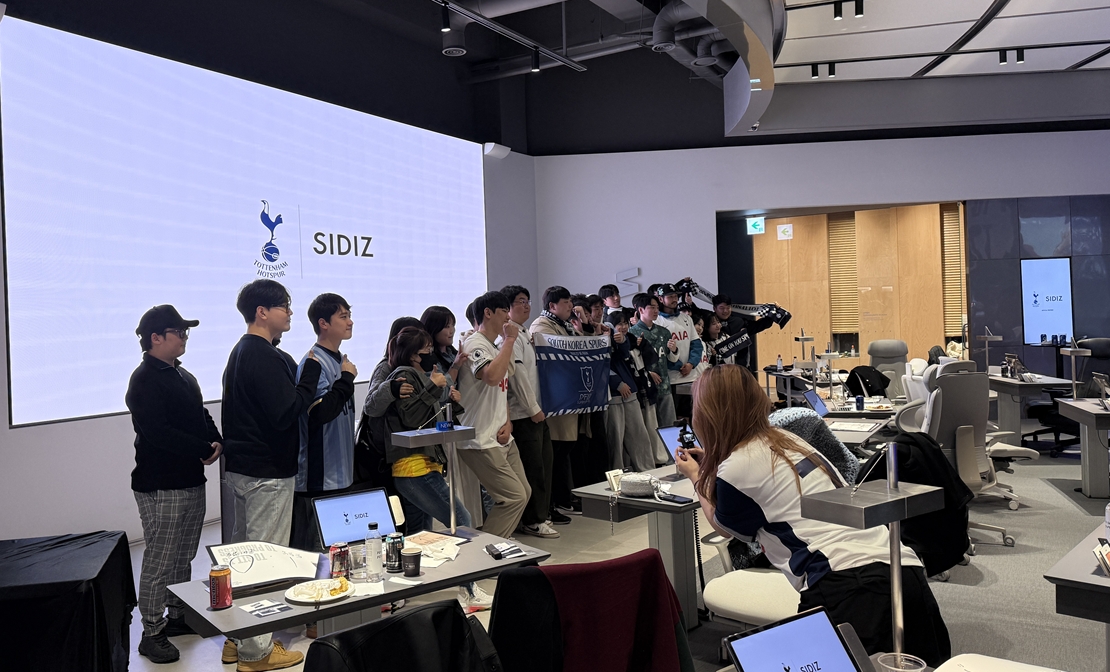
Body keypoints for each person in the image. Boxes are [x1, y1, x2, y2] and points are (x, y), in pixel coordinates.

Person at [674, 365, 951, 666]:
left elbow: (722, 525)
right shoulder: (786, 440)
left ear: (708, 414)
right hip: (902, 569)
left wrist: (696, 477)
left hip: (848, 585)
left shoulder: (735, 468)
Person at [221, 279, 321, 671]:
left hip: (246, 469)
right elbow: (285, 412)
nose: (290, 312)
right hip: (267, 473)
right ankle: (257, 651)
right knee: (264, 563)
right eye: (284, 306)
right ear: (262, 312)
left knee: (243, 558)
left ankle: (237, 641)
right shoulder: (261, 354)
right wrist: (309, 376)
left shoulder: (242, 351)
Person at [126, 305, 222, 664]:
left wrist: (216, 439)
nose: (184, 338)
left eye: (185, 332)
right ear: (156, 337)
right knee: (160, 559)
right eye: (178, 332)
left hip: (190, 480)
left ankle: (177, 615)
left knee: (183, 555)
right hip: (160, 485)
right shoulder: (144, 380)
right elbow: (159, 433)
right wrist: (202, 448)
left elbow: (201, 414)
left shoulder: (184, 376)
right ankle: (151, 632)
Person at [456, 290, 531, 539]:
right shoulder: (475, 344)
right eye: (503, 312)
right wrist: (509, 340)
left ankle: (498, 545)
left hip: (501, 434)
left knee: (523, 493)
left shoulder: (493, 345)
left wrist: (508, 421)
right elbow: (491, 377)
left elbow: (503, 388)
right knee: (513, 497)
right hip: (480, 438)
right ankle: (488, 550)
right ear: (488, 313)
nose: (508, 318)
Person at [289, 294, 358, 552]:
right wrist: (346, 380)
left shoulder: (341, 360)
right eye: (343, 316)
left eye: (349, 316)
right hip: (319, 479)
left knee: (339, 553)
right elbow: (319, 413)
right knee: (316, 556)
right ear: (323, 323)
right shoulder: (314, 362)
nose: (350, 322)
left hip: (341, 474)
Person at [500, 285, 561, 538]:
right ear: (507, 308)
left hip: (536, 411)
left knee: (544, 465)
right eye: (520, 301)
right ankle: (533, 520)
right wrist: (533, 408)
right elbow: (517, 378)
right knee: (533, 469)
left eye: (528, 301)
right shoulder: (510, 338)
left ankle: (541, 515)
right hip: (523, 414)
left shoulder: (524, 333)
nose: (526, 306)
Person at [530, 286, 582, 517]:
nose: (571, 306)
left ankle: (563, 498)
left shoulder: (565, 324)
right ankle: (552, 503)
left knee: (564, 451)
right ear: (552, 306)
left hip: (568, 397)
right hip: (554, 400)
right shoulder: (541, 325)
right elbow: (562, 352)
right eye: (566, 302)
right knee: (555, 453)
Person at [357, 317, 421, 491]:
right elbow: (371, 406)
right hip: (384, 454)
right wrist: (391, 389)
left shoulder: (417, 367)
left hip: (407, 452)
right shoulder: (386, 367)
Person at [603, 310, 655, 472]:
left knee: (639, 435)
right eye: (619, 324)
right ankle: (617, 475)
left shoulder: (624, 337)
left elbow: (624, 355)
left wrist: (622, 340)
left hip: (631, 391)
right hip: (613, 395)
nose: (624, 326)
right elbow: (600, 366)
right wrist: (617, 383)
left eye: (625, 323)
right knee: (616, 440)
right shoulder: (598, 335)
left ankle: (647, 470)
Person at [630, 292, 680, 430]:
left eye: (657, 307)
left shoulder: (664, 332)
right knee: (650, 427)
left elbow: (671, 359)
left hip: (664, 385)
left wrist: (674, 350)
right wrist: (647, 372)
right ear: (641, 310)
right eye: (652, 307)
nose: (656, 310)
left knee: (669, 424)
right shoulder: (632, 333)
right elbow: (631, 362)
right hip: (645, 388)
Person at [713, 293, 774, 370]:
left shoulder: (739, 321)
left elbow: (758, 326)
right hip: (716, 368)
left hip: (740, 367)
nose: (725, 311)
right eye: (721, 308)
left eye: (728, 307)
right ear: (714, 308)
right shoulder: (708, 322)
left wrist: (772, 314)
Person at [421, 305, 469, 375]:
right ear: (433, 328)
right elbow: (442, 382)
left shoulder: (452, 352)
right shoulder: (428, 358)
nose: (452, 330)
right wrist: (455, 366)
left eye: (453, 325)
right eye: (447, 326)